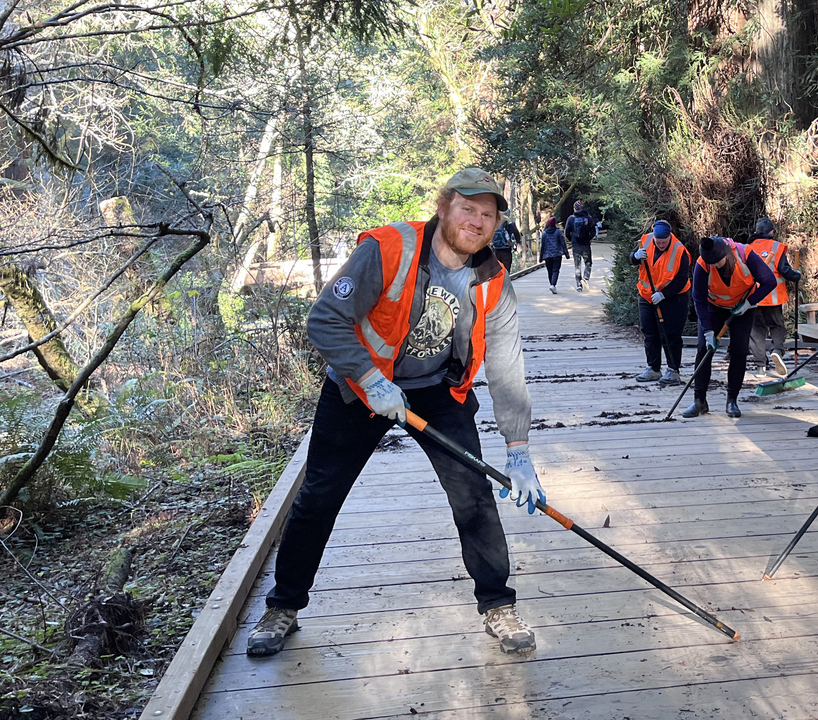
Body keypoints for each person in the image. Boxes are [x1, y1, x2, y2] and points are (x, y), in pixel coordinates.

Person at [247, 168, 546, 658]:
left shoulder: (493, 280)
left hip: (437, 392)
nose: (476, 221)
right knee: (319, 496)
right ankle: (283, 607)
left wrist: (518, 450)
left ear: (496, 225)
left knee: (474, 496)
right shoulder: (389, 248)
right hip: (361, 388)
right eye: (467, 208)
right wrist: (369, 379)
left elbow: (507, 364)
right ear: (444, 206)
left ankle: (497, 603)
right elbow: (325, 319)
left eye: (488, 215)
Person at [684, 236, 777, 419]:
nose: (715, 266)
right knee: (704, 349)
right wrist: (708, 330)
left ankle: (732, 400)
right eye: (711, 263)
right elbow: (699, 299)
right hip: (714, 307)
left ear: (726, 253)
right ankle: (699, 400)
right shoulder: (703, 263)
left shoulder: (746, 254)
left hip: (743, 307)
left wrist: (750, 303)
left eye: (718, 262)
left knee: (739, 350)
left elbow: (769, 282)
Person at [631, 220, 691, 385]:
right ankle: (653, 368)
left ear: (669, 237)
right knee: (649, 332)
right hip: (646, 295)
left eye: (664, 242)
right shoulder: (646, 241)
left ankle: (673, 370)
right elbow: (632, 258)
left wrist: (664, 294)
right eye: (659, 242)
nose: (661, 244)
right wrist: (636, 257)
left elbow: (681, 280)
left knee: (670, 334)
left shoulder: (680, 252)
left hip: (673, 299)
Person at [746, 218, 801, 376]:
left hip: (754, 296)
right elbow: (784, 270)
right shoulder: (776, 247)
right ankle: (777, 350)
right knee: (777, 326)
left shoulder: (747, 248)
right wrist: (796, 276)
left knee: (756, 330)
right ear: (771, 232)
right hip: (773, 296)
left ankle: (760, 367)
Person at [564, 200, 596, 292]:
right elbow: (593, 232)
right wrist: (588, 238)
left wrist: (572, 240)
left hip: (575, 245)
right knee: (588, 263)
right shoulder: (588, 218)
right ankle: (585, 278)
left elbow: (567, 233)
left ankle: (578, 285)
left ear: (575, 208)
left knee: (577, 265)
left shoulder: (571, 218)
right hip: (586, 244)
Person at [539, 217, 569, 294]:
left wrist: (541, 257)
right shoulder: (558, 232)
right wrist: (566, 253)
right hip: (557, 254)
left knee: (550, 271)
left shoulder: (544, 233)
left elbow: (543, 246)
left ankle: (552, 285)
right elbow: (563, 243)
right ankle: (553, 285)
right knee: (555, 270)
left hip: (547, 255)